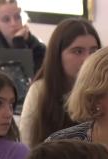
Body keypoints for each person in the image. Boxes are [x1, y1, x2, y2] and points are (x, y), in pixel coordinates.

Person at [19, 18, 101, 148]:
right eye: (78, 51)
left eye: (93, 51)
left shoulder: (103, 91)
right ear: (57, 55)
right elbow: (26, 146)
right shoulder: (40, 91)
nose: (87, 59)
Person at [0, 0, 46, 74]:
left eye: (17, 17)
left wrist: (18, 42)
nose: (14, 23)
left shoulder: (38, 48)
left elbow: (30, 79)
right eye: (6, 19)